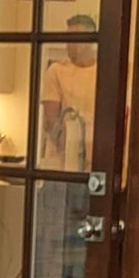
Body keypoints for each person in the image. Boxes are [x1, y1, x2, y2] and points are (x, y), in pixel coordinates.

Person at [38, 16, 99, 171]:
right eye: (68, 38)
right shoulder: (56, 72)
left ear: (90, 41)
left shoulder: (104, 73)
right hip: (62, 166)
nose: (69, 44)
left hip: (96, 165)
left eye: (75, 39)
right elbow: (51, 121)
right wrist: (72, 151)